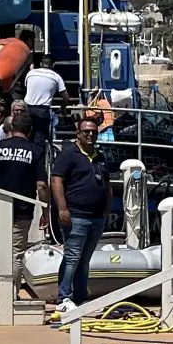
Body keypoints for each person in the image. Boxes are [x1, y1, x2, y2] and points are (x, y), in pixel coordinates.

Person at [0, 110, 48, 285]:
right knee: (16, 254)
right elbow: (41, 185)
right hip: (23, 210)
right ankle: (11, 292)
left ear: (11, 128)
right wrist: (46, 210)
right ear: (30, 130)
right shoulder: (35, 151)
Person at [50, 116, 112, 313]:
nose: (90, 135)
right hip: (76, 214)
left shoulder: (100, 156)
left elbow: (107, 185)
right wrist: (62, 208)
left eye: (94, 132)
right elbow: (56, 180)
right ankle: (64, 297)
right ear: (78, 133)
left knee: (85, 259)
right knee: (72, 257)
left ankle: (79, 297)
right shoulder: (69, 154)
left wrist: (107, 209)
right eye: (86, 131)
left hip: (97, 216)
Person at [23, 55, 70, 147]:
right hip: (42, 110)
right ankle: (39, 158)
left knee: (26, 135)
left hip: (27, 108)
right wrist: (63, 108)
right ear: (53, 65)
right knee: (40, 138)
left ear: (41, 64)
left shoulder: (31, 73)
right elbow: (66, 97)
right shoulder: (56, 77)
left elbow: (27, 88)